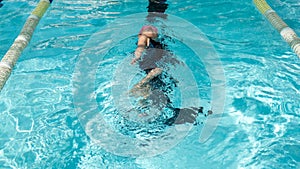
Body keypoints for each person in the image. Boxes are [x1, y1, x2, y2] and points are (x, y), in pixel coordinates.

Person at [129, 25, 212, 125]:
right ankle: (191, 113)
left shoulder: (146, 39)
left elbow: (141, 47)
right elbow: (141, 47)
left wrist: (142, 80)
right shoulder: (156, 45)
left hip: (156, 73)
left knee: (157, 98)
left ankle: (188, 114)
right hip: (159, 73)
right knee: (159, 99)